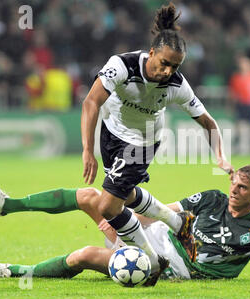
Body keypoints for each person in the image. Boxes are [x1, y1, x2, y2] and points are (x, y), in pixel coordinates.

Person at [0, 165, 250, 282]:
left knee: (82, 257)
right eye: (233, 183)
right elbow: (165, 209)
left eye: (242, 188)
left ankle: (13, 272)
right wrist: (119, 220)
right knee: (92, 197)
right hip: (153, 234)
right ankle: (7, 205)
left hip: (173, 267)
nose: (233, 190)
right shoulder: (213, 197)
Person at [78, 2, 233, 278]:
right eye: (164, 63)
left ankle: (150, 261)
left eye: (175, 66)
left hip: (142, 142)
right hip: (111, 134)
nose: (168, 71)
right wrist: (88, 149)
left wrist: (220, 155)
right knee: (123, 196)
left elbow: (208, 122)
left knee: (108, 207)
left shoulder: (176, 86)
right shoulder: (122, 65)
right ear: (151, 53)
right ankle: (178, 221)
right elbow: (91, 102)